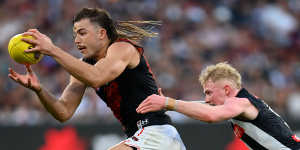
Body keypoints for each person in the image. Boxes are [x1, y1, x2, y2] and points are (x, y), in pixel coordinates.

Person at [8, 8, 186, 150]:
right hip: (141, 138)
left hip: (157, 134)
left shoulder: (121, 48)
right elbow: (63, 111)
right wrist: (39, 90)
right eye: (75, 34)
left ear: (101, 33)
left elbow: (97, 77)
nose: (77, 40)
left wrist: (52, 50)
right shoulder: (83, 67)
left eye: (82, 33)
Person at [137, 62, 300, 150]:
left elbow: (211, 115)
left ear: (227, 90)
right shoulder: (242, 102)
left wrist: (168, 103)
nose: (206, 99)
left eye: (209, 92)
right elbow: (207, 107)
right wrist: (169, 104)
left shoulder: (240, 103)